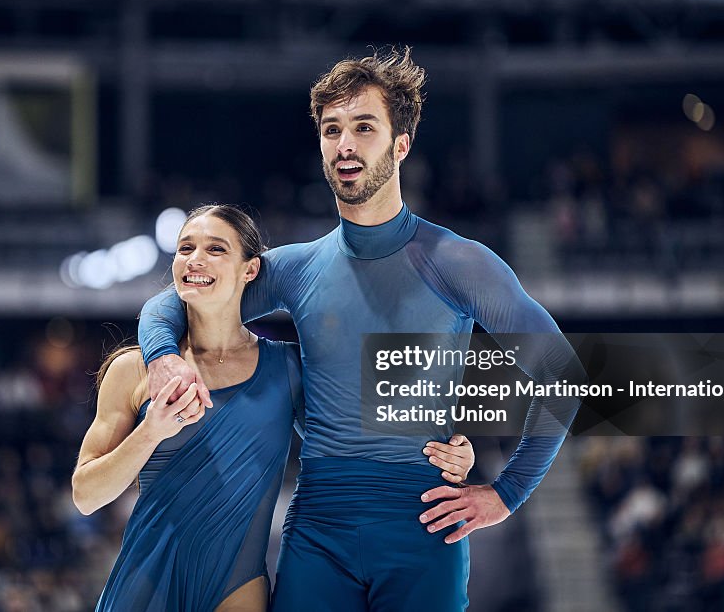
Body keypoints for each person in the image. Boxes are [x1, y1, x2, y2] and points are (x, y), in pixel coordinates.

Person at [138, 48, 583, 611]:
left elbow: (563, 372)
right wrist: (161, 355)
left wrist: (508, 491)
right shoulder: (295, 268)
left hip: (425, 525)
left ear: (401, 144)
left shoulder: (458, 262)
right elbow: (171, 301)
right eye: (332, 130)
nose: (344, 144)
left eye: (364, 127)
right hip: (319, 526)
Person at [72, 204, 476, 612]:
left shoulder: (289, 368)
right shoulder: (134, 370)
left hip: (237, 589)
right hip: (143, 584)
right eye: (185, 248)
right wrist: (150, 432)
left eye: (215, 249)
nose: (195, 258)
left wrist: (447, 450)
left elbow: (359, 440)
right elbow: (86, 496)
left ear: (250, 270)